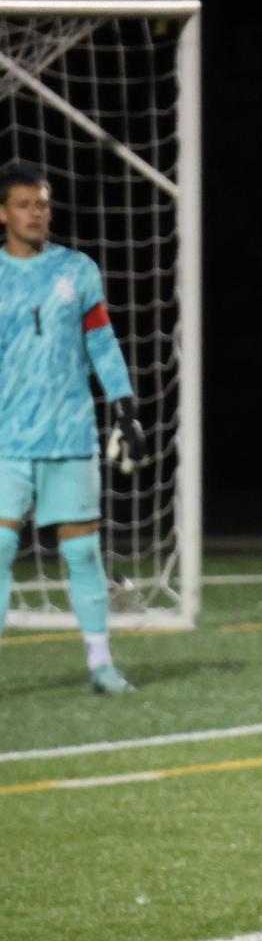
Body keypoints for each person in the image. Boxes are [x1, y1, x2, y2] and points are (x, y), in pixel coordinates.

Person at [0, 161, 146, 692]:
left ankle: (101, 665)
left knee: (82, 551)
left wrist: (125, 405)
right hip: (6, 438)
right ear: (3, 213)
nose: (36, 213)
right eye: (24, 204)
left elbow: (100, 341)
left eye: (42, 203)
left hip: (69, 433)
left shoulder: (77, 270)